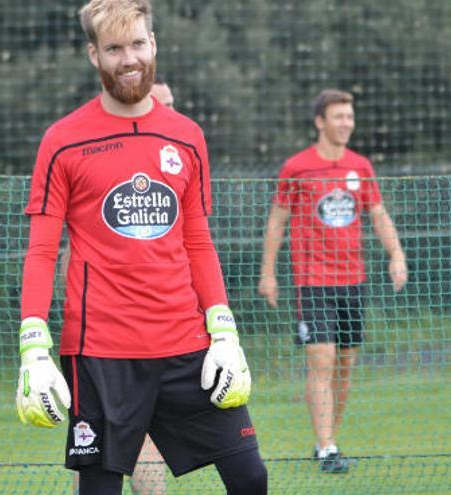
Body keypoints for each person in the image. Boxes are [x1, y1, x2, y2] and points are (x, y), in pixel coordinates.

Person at [14, 2, 268, 494]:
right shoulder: (62, 141)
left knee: (250, 476)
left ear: (153, 44)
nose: (127, 58)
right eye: (113, 48)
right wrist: (33, 344)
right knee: (101, 491)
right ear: (94, 55)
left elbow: (197, 241)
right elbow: (42, 251)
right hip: (101, 352)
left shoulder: (188, 137)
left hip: (187, 345)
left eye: (136, 44)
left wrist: (224, 329)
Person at [257, 89, 408, 474]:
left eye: (349, 117)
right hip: (313, 282)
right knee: (320, 360)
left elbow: (378, 214)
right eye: (339, 116)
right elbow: (277, 221)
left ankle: (328, 440)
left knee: (345, 364)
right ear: (320, 122)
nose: (346, 123)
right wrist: (268, 273)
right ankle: (327, 449)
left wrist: (396, 254)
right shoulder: (297, 167)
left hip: (352, 282)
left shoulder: (360, 166)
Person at [65, 79, 175, 495]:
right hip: (103, 336)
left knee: (145, 435)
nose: (160, 110)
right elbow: (69, 250)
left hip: (165, 333)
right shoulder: (92, 154)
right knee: (92, 441)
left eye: (168, 104)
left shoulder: (178, 155)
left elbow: (192, 247)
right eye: (157, 102)